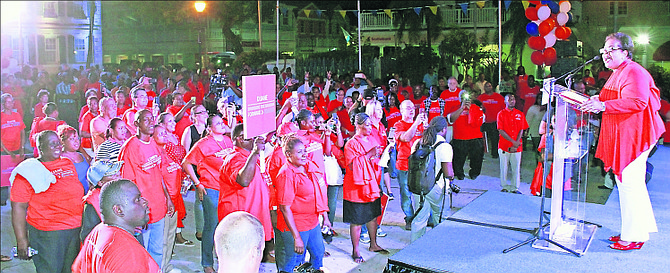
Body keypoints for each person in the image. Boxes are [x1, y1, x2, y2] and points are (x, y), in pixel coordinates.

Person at [581, 32, 663, 251]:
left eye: (611, 49)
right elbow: (618, 95)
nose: (606, 54)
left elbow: (636, 101)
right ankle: (638, 230)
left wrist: (604, 106)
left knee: (628, 184)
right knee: (631, 184)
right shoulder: (620, 71)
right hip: (627, 133)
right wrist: (600, 99)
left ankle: (633, 236)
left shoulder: (634, 72)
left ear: (626, 52)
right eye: (604, 50)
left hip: (636, 135)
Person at [10, 130, 84, 273]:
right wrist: (22, 240)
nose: (58, 147)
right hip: (48, 234)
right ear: (40, 148)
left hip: (74, 230)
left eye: (58, 143)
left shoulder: (67, 163)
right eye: (52, 144)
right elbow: (18, 208)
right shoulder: (27, 171)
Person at [118, 109, 175, 268]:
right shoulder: (130, 148)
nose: (151, 123)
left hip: (159, 207)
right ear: (136, 124)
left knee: (157, 250)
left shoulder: (154, 143)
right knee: (142, 252)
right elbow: (127, 185)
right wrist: (136, 212)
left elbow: (159, 175)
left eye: (152, 119)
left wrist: (168, 199)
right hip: (143, 211)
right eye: (146, 120)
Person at [72, 179, 161, 273]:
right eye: (137, 199)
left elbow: (78, 268)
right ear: (118, 210)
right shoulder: (130, 257)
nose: (145, 202)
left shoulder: (99, 230)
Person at [182, 115, 234, 273]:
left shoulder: (227, 140)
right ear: (209, 128)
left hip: (227, 189)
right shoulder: (203, 144)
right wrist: (197, 183)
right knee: (211, 226)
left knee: (226, 225)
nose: (222, 124)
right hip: (211, 188)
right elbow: (186, 163)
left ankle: (222, 256)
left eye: (222, 122)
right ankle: (207, 263)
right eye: (218, 123)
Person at [275, 136, 330, 272]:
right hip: (296, 226)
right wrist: (297, 237)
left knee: (318, 254)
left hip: (312, 222)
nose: (304, 154)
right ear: (288, 155)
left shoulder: (307, 167)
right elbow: (285, 208)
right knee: (293, 263)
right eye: (299, 152)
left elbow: (318, 193)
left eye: (304, 150)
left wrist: (325, 217)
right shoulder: (286, 174)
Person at [218, 124, 274, 257]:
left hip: (253, 219)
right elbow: (243, 180)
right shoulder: (234, 158)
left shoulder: (249, 157)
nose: (255, 140)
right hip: (240, 223)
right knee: (239, 260)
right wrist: (255, 152)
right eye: (251, 138)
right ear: (240, 139)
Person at [344, 113, 389, 264]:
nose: (370, 128)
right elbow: (351, 166)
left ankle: (373, 244)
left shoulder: (372, 138)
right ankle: (356, 250)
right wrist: (369, 155)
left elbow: (376, 158)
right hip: (356, 188)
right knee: (357, 220)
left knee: (372, 215)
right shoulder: (351, 144)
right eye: (368, 125)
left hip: (373, 184)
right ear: (358, 125)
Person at [410, 116, 454, 242]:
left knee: (419, 218)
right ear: (444, 129)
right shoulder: (444, 146)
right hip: (436, 188)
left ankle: (414, 248)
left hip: (418, 187)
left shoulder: (418, 143)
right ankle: (438, 246)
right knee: (440, 217)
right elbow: (448, 173)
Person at [157, 113, 193, 247]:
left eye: (174, 121)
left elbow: (183, 157)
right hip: (168, 179)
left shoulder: (176, 137)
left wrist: (185, 176)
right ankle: (172, 238)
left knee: (178, 205)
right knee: (171, 206)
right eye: (170, 121)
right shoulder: (161, 140)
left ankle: (177, 235)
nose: (173, 123)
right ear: (162, 124)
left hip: (178, 176)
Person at [394, 100, 427, 229]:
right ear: (401, 111)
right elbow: (406, 138)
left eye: (413, 107)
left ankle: (423, 216)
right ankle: (409, 218)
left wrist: (426, 126)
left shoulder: (420, 124)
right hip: (404, 165)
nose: (412, 110)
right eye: (408, 108)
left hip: (419, 164)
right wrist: (416, 123)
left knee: (422, 193)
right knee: (406, 194)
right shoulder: (398, 125)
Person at [449, 92, 485, 181]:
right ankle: (459, 173)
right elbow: (451, 119)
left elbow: (481, 121)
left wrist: (471, 110)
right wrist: (461, 108)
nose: (464, 99)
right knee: (458, 158)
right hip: (460, 138)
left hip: (475, 137)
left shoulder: (476, 108)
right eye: (462, 97)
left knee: (476, 158)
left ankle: (474, 173)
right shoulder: (454, 108)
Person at [497, 94, 528, 194]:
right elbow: (501, 130)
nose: (512, 101)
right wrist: (512, 142)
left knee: (516, 168)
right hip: (504, 146)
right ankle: (504, 186)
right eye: (509, 99)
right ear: (505, 101)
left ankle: (515, 187)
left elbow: (521, 129)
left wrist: (516, 142)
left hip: (517, 147)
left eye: (513, 99)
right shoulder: (501, 114)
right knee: (504, 167)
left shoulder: (520, 114)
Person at [57, 125, 92, 192]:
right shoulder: (60, 159)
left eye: (77, 138)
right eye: (72, 139)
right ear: (62, 141)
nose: (76, 142)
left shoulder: (82, 155)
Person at [478, 82, 505, 158]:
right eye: (486, 86)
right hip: (483, 122)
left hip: (495, 121)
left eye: (489, 86)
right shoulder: (480, 97)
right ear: (484, 88)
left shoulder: (499, 97)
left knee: (495, 138)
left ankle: (495, 153)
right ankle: (480, 154)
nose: (488, 87)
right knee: (480, 139)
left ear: (492, 87)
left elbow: (504, 109)